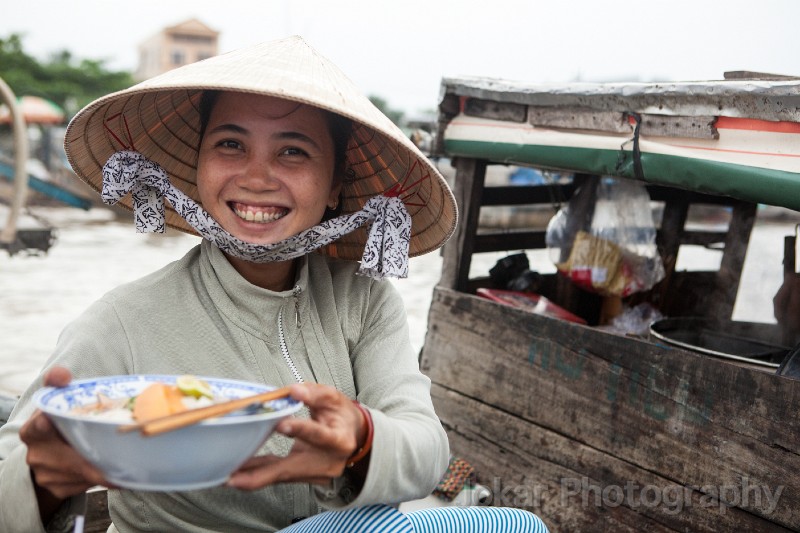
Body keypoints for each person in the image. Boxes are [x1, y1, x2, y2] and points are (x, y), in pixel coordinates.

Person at [0, 37, 548, 533]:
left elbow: (427, 447)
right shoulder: (122, 320)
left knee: (520, 526)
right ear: (198, 168)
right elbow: (12, 473)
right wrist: (46, 482)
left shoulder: (364, 300)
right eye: (230, 145)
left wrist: (359, 439)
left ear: (335, 186)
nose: (257, 177)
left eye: (293, 151)